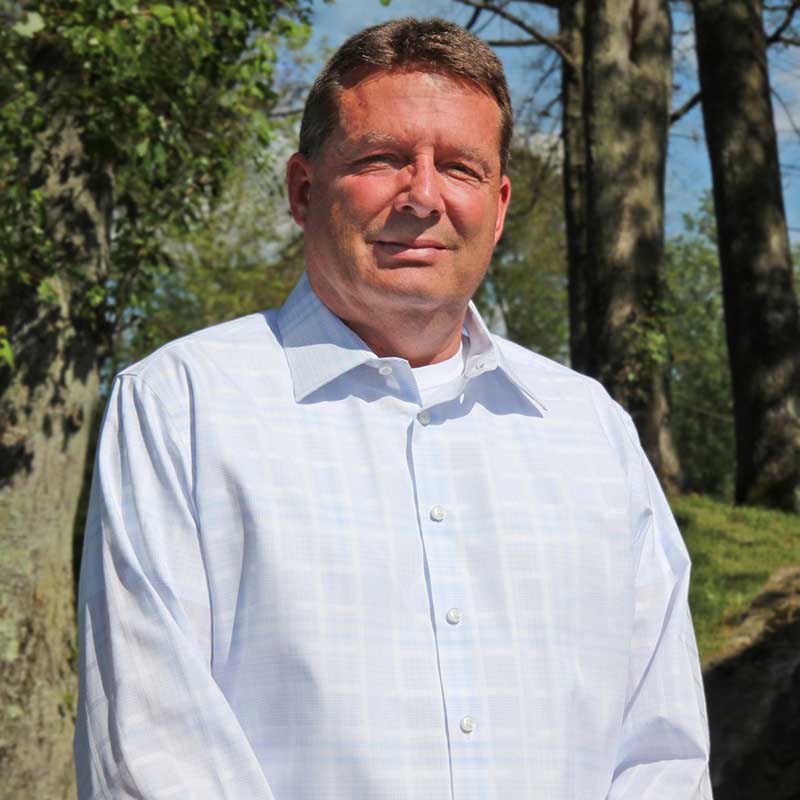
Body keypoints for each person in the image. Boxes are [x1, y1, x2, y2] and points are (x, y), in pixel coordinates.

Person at [74, 17, 712, 800]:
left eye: (461, 168)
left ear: (500, 204)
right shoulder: (184, 406)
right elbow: (152, 753)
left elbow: (663, 754)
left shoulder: (592, 432)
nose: (423, 196)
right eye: (382, 161)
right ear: (304, 190)